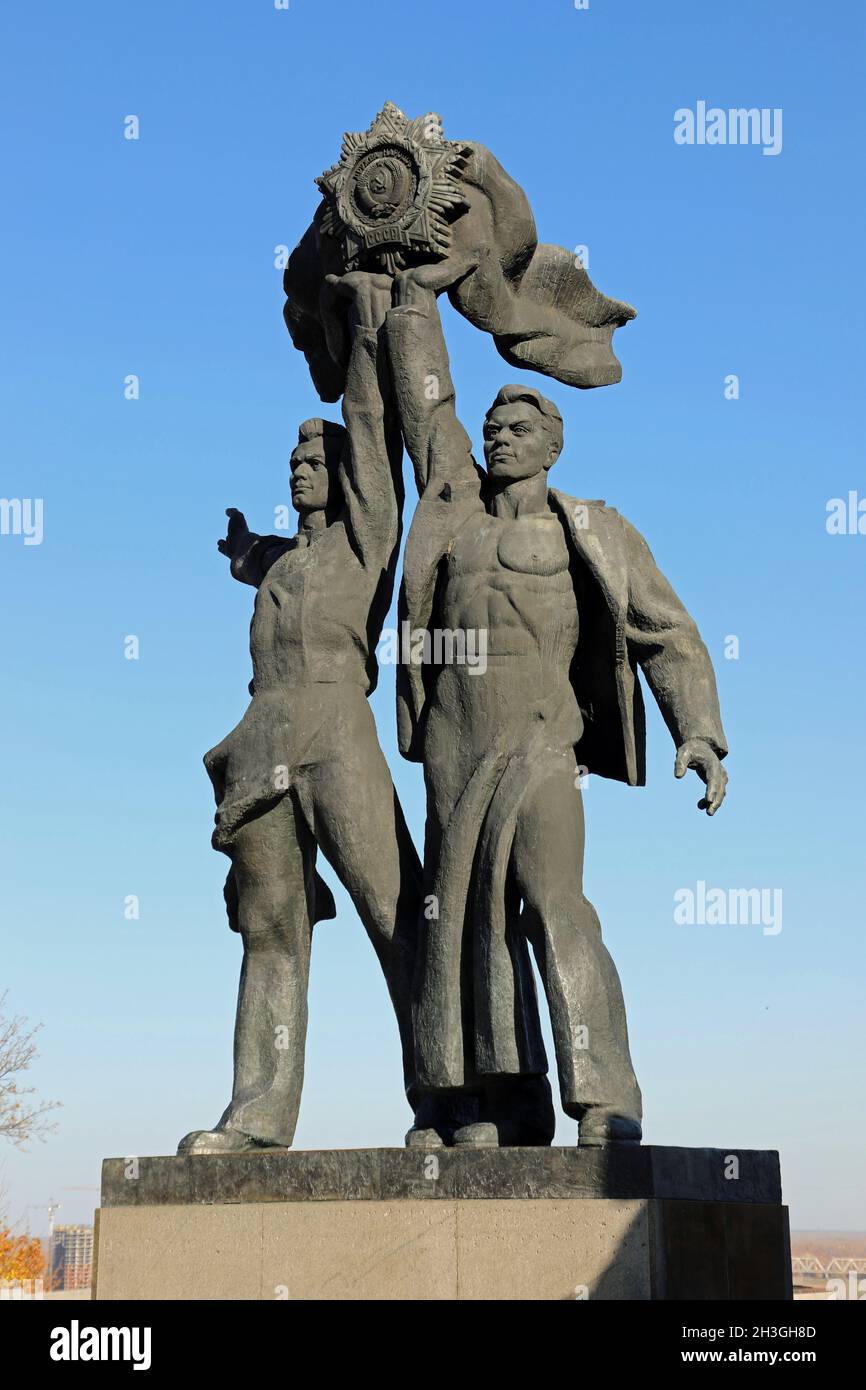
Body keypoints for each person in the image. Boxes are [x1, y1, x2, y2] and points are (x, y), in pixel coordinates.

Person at [385, 263, 729, 1148]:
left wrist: (698, 729)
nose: (500, 437)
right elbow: (427, 407)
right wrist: (413, 298)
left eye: (519, 426)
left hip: (542, 742)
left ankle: (606, 1096)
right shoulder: (453, 510)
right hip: (457, 748)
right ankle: (499, 1103)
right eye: (494, 426)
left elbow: (666, 629)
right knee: (465, 927)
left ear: (553, 445)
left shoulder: (593, 530)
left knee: (554, 902)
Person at [178, 272, 422, 1154]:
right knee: (269, 931)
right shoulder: (282, 561)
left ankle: (448, 1101)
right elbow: (254, 558)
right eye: (294, 464)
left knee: (399, 914)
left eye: (315, 461)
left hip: (338, 733)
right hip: (263, 742)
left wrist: (366, 327)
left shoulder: (364, 544)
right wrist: (242, 548)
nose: (300, 469)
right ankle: (256, 1116)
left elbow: (368, 432)